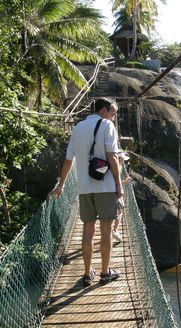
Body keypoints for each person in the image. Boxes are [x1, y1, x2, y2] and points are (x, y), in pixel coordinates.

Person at [47, 98, 124, 286]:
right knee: (106, 231)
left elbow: (68, 161)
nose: (113, 118)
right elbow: (112, 156)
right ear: (104, 111)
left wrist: (62, 184)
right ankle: (105, 273)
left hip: (83, 187)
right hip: (105, 187)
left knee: (88, 231)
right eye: (113, 113)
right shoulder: (107, 125)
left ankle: (88, 273)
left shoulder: (78, 127)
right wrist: (119, 184)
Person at [112, 151, 131, 243]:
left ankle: (112, 230)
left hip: (108, 192)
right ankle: (114, 230)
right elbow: (116, 183)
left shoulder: (112, 167)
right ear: (119, 159)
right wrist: (125, 181)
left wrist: (124, 181)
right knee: (119, 213)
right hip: (116, 193)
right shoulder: (117, 169)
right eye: (123, 159)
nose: (123, 161)